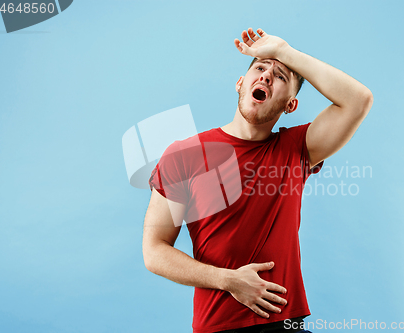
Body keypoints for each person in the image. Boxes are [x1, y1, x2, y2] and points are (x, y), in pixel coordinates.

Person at [142, 28, 373, 333]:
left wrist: (284, 51)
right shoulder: (184, 154)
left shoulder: (297, 149)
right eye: (260, 68)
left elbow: (358, 100)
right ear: (241, 83)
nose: (266, 76)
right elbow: (154, 251)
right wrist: (228, 280)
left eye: (279, 76)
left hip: (285, 324)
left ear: (290, 105)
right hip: (217, 326)